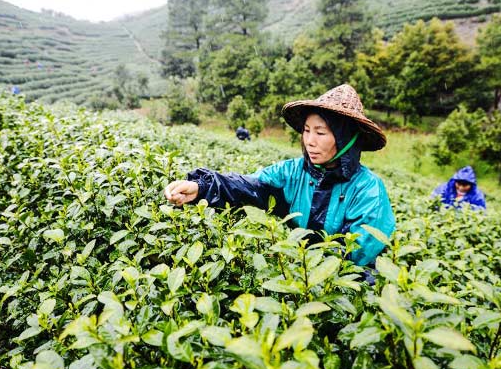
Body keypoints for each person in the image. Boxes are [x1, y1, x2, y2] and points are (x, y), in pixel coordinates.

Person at [164, 84, 395, 267]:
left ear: (345, 139)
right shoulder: (292, 172)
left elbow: (354, 256)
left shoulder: (369, 190)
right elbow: (248, 187)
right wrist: (200, 188)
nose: (310, 141)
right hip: (300, 273)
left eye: (321, 132)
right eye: (307, 131)